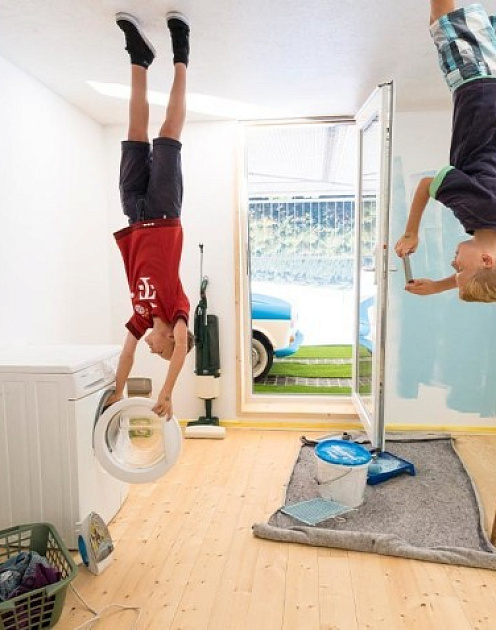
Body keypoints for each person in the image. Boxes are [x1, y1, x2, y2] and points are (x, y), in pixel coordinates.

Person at [105, 11, 193, 418]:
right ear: (172, 338)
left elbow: (125, 353)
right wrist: (167, 392)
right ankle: (181, 54)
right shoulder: (177, 309)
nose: (150, 349)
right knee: (168, 131)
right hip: (164, 211)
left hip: (134, 214)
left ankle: (138, 57)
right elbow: (181, 351)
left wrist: (118, 392)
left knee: (134, 133)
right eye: (159, 352)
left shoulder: (141, 318)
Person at [395, 1, 496, 302]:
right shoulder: (476, 210)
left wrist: (439, 286)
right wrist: (411, 232)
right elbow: (428, 184)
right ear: (486, 259)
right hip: (478, 88)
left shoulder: (485, 222)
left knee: (458, 27)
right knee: (442, 22)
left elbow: (481, 273)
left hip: (489, 91)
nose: (454, 265)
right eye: (459, 268)